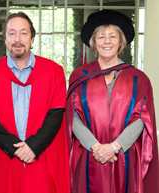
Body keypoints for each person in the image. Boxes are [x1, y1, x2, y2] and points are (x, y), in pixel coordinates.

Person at [0, 12, 70, 193]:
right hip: (2, 153)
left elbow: (56, 114)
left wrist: (33, 146)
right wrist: (15, 148)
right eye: (11, 33)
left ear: (32, 38)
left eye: (23, 33)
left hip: (40, 152)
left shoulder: (53, 71)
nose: (17, 39)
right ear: (5, 39)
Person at [65, 9, 159, 193]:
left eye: (112, 36)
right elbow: (72, 117)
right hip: (89, 154)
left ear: (120, 42)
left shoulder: (138, 78)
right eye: (101, 37)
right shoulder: (79, 76)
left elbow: (141, 119)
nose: (107, 41)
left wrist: (115, 147)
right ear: (94, 43)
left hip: (124, 155)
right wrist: (96, 147)